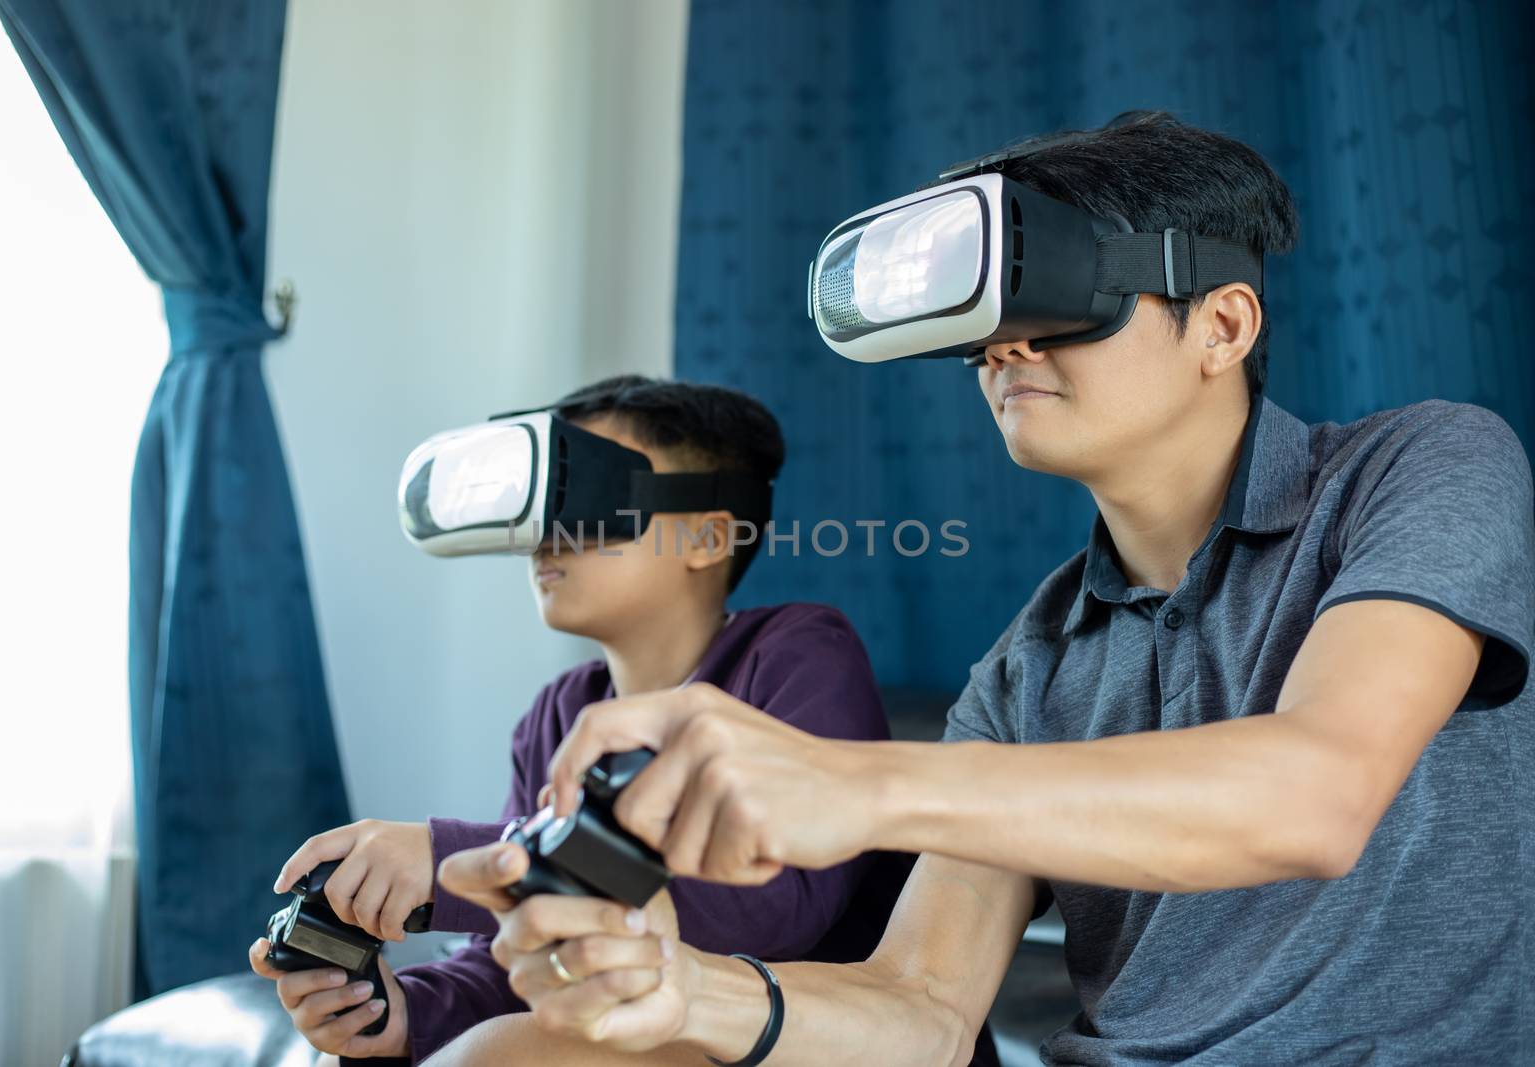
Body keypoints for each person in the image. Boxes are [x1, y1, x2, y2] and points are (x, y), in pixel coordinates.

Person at [435, 113, 1535, 1065]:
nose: (1002, 347)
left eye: (1058, 298)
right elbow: (922, 1006)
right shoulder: (1031, 663)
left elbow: (1317, 791)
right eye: (980, 318)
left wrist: (855, 784)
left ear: (1224, 325)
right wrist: (686, 989)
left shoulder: (1423, 467)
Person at [246, 376, 918, 1064]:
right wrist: (403, 1014)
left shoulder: (799, 653)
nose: (548, 531)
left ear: (708, 536)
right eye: (542, 501)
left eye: (587, 492)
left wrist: (455, 862)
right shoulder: (558, 715)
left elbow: (779, 905)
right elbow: (510, 962)